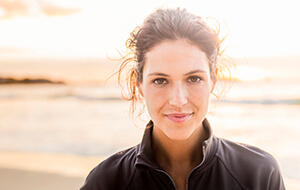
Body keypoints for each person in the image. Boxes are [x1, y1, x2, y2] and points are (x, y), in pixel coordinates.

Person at [80, 8, 285, 190]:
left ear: (213, 80)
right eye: (160, 80)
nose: (178, 100)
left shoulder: (259, 174)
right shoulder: (106, 182)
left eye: (193, 78)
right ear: (139, 84)